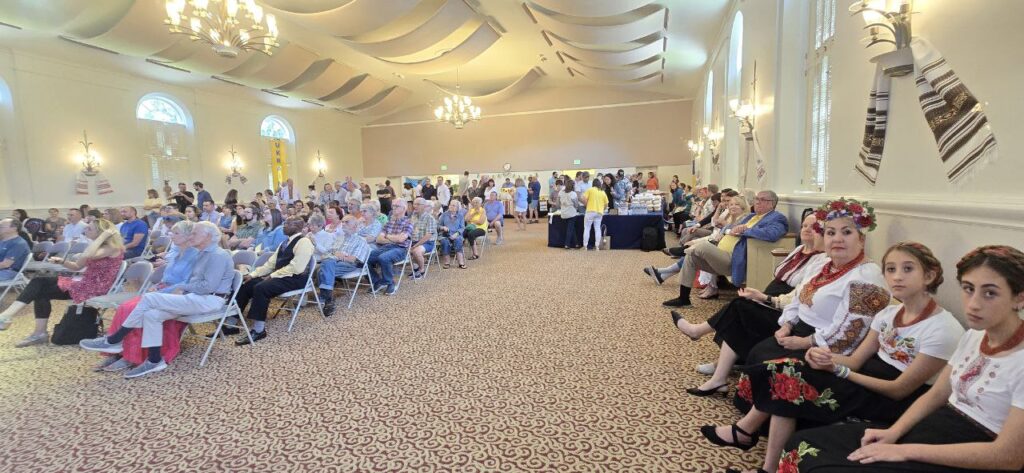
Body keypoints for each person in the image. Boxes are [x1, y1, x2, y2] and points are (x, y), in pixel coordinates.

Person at [706, 242, 963, 473]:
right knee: (789, 370)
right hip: (865, 374)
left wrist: (840, 371)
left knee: (792, 377)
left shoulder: (943, 329)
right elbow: (856, 360)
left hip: (893, 397)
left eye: (908, 269)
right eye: (891, 269)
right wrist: (823, 358)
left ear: (929, 275)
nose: (897, 277)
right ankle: (763, 460)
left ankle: (744, 433)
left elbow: (899, 390)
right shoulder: (888, 315)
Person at [786, 245, 1024, 473]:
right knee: (802, 444)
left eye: (990, 293)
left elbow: (1008, 456)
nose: (974, 304)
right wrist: (894, 432)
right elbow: (936, 395)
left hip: (977, 446)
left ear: (1020, 298)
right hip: (938, 425)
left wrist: (905, 451)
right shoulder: (975, 336)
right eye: (968, 289)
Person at [693, 199, 889, 459]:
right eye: (831, 232)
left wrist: (805, 342)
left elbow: (848, 334)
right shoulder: (827, 266)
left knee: (780, 365)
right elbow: (798, 297)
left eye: (846, 232)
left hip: (829, 347)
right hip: (801, 331)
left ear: (861, 239)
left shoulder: (866, 277)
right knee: (763, 347)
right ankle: (748, 428)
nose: (837, 239)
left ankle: (746, 431)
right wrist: (787, 324)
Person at [670, 214, 825, 377]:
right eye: (804, 226)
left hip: (779, 307)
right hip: (770, 297)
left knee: (740, 307)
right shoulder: (799, 249)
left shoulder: (818, 259)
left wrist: (767, 299)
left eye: (813, 227)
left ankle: (700, 335)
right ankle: (723, 365)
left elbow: (797, 297)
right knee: (740, 305)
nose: (806, 229)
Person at [79, 221, 233, 378]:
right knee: (151, 315)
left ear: (207, 236)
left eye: (195, 233)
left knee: (149, 298)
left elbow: (208, 286)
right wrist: (181, 288)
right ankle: (154, 360)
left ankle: (114, 340)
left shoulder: (217, 256)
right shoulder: (203, 253)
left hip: (210, 299)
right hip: (196, 297)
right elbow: (196, 283)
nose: (191, 236)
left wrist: (181, 287)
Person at [87, 220, 199, 373]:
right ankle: (118, 351)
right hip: (162, 290)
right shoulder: (176, 252)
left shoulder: (195, 255)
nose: (171, 235)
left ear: (188, 236)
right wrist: (157, 286)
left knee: (135, 310)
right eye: (171, 232)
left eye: (176, 233)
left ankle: (130, 356)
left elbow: (186, 283)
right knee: (124, 307)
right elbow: (167, 277)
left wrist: (162, 290)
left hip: (176, 295)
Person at [0, 219, 124, 342]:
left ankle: (22, 324)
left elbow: (87, 255)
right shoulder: (96, 247)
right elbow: (77, 266)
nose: (85, 229)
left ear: (101, 233)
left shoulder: (112, 247)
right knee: (38, 283)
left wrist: (103, 236)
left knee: (40, 288)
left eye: (89, 228)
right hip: (84, 282)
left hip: (95, 288)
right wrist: (62, 262)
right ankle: (25, 325)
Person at [663, 191, 788, 306]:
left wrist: (746, 230)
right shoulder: (751, 216)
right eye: (756, 199)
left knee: (703, 246)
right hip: (721, 253)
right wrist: (727, 230)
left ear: (772, 203)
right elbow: (729, 228)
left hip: (734, 258)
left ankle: (681, 250)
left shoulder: (777, 218)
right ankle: (683, 298)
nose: (757, 202)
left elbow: (772, 234)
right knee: (691, 257)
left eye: (762, 200)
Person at [229, 217, 313, 345]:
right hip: (282, 276)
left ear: (297, 227)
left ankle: (259, 330)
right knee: (247, 283)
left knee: (261, 288)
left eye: (287, 224)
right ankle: (230, 324)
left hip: (296, 278)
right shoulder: (284, 242)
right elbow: (270, 264)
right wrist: (252, 274)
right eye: (284, 223)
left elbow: (297, 268)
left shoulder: (304, 242)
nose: (284, 226)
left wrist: (273, 275)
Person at [317, 215, 372, 316]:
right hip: (334, 262)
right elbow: (331, 251)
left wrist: (338, 255)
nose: (343, 224)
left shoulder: (360, 240)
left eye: (347, 222)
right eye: (342, 222)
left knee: (322, 268)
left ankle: (325, 296)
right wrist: (336, 254)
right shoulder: (340, 238)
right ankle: (329, 299)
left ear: (355, 226)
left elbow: (352, 259)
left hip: (348, 264)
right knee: (325, 265)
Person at [368, 201, 413, 295]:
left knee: (384, 257)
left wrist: (387, 236)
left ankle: (388, 282)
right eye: (393, 206)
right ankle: (378, 281)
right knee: (366, 257)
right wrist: (393, 239)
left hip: (401, 249)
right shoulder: (389, 223)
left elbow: (401, 239)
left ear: (404, 208)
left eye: (397, 206)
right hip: (386, 247)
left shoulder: (408, 222)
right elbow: (379, 239)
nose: (394, 208)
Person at [409, 198, 437, 280]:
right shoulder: (413, 216)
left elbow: (428, 236)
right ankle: (416, 269)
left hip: (427, 242)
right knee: (403, 249)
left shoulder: (430, 218)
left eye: (418, 204)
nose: (415, 206)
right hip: (414, 241)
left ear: (424, 206)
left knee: (416, 251)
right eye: (414, 204)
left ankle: (421, 270)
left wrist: (415, 246)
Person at [579, 178, 608, 251]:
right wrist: (602, 209)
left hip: (590, 211)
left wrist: (586, 205)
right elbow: (606, 204)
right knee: (597, 229)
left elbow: (583, 199)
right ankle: (597, 246)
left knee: (587, 228)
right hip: (599, 212)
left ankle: (585, 246)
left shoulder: (590, 190)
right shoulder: (602, 192)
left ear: (593, 184)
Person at [438, 200, 467, 269]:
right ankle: (447, 262)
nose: (451, 206)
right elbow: (438, 225)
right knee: (445, 241)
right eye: (450, 205)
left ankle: (461, 262)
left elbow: (462, 227)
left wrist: (456, 234)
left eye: (453, 205)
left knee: (458, 240)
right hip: (445, 234)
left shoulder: (460, 216)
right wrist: (442, 227)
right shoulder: (444, 215)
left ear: (457, 207)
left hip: (456, 234)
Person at [558, 180, 581, 249]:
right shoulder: (573, 194)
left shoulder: (561, 192)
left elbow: (558, 203)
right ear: (573, 186)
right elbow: (576, 204)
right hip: (571, 213)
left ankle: (576, 244)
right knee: (570, 229)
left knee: (571, 228)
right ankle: (567, 244)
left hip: (563, 213)